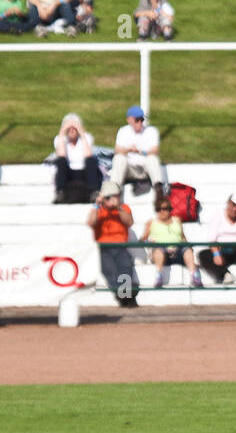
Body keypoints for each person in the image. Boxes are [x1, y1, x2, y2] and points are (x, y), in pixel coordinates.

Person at [86, 179, 140, 308]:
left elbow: (129, 222)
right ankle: (125, 295)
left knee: (125, 267)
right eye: (109, 197)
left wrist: (118, 208)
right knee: (109, 269)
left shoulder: (123, 208)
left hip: (121, 246)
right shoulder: (98, 209)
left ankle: (125, 296)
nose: (112, 199)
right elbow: (91, 223)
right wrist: (96, 204)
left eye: (115, 196)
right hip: (103, 247)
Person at [198, 191, 236, 284]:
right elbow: (212, 239)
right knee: (203, 255)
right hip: (223, 250)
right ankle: (225, 275)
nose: (235, 209)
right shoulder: (218, 216)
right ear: (228, 204)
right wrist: (216, 254)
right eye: (233, 205)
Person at [142, 194, 203, 288]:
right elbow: (143, 239)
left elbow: (183, 237)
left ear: (170, 209)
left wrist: (186, 245)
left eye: (165, 208)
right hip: (160, 251)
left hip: (177, 251)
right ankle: (159, 276)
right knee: (158, 250)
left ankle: (194, 276)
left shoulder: (177, 220)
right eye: (159, 209)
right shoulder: (151, 222)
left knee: (187, 249)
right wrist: (150, 243)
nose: (162, 211)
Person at [113, 105, 164, 197]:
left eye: (142, 120)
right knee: (119, 158)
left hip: (145, 169)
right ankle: (114, 193)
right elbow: (117, 150)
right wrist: (128, 150)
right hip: (129, 169)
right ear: (129, 120)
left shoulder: (151, 131)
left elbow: (155, 151)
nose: (140, 123)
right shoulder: (123, 131)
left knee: (152, 159)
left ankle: (159, 191)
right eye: (137, 120)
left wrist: (141, 152)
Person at [53, 112, 102, 203]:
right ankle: (60, 192)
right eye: (69, 129)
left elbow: (88, 155)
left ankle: (94, 192)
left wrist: (82, 133)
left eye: (74, 128)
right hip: (69, 172)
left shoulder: (86, 137)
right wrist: (62, 132)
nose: (71, 131)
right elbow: (61, 155)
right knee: (60, 161)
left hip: (84, 171)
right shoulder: (59, 139)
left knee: (91, 161)